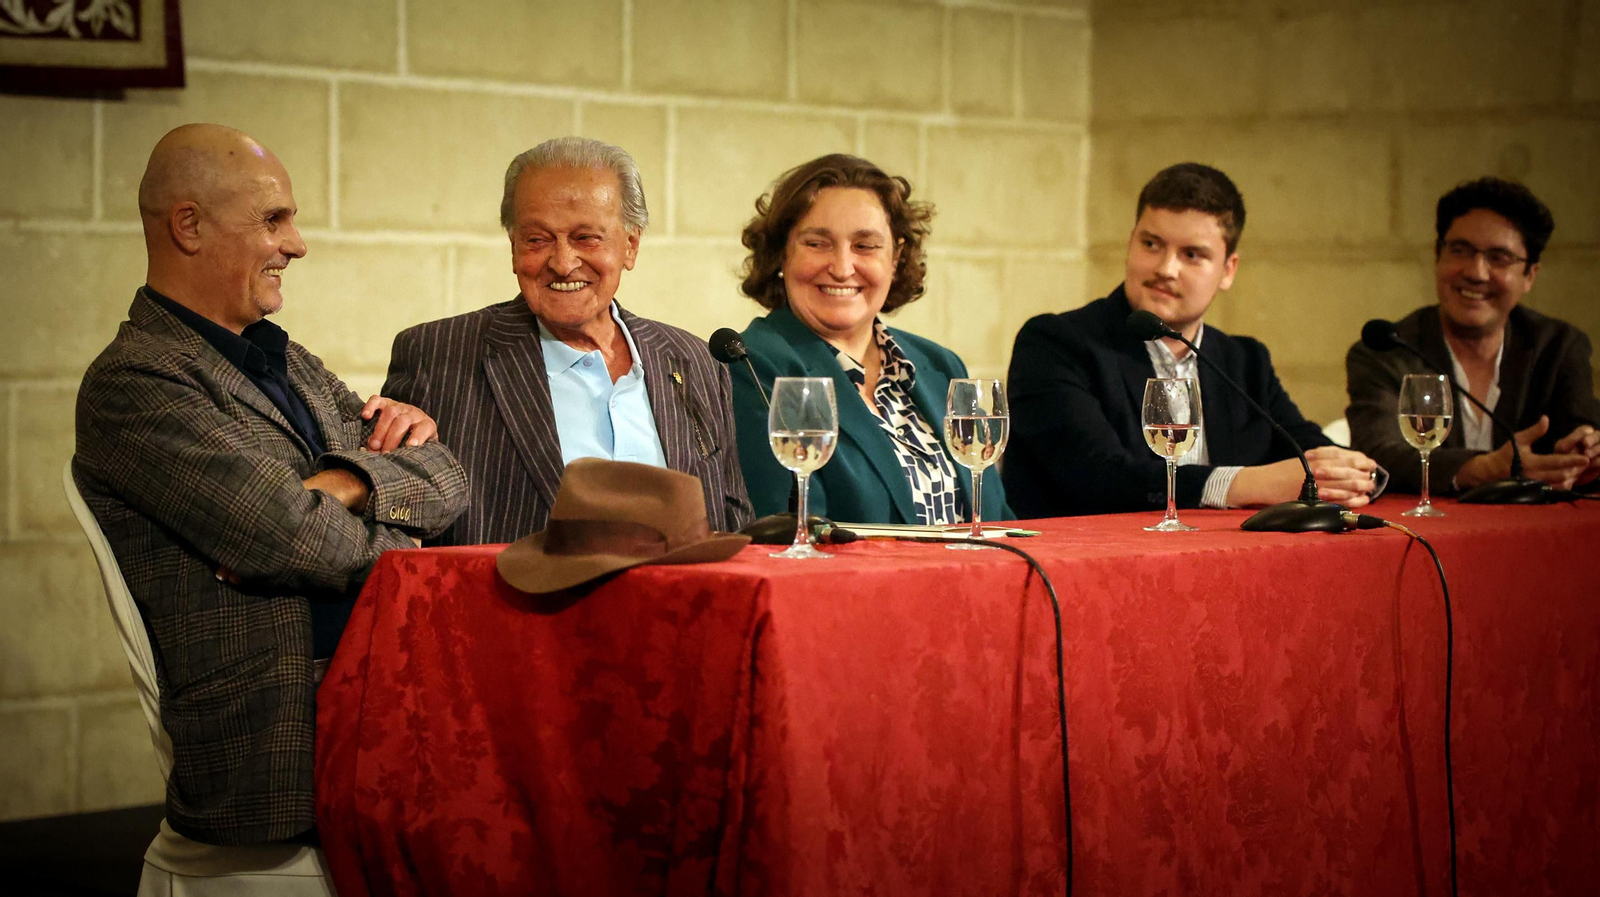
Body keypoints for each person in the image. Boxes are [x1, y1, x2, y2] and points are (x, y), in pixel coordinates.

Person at [73, 124, 468, 845]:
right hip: (282, 755)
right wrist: (402, 534)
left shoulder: (286, 361)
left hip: (390, 726)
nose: (297, 243)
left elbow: (447, 474)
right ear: (188, 225)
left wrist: (343, 480)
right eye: (273, 219)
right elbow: (289, 533)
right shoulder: (136, 382)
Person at [383, 137, 752, 544]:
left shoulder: (693, 359)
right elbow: (395, 512)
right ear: (513, 248)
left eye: (586, 238)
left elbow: (731, 518)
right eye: (537, 239)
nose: (562, 262)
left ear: (630, 245)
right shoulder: (439, 354)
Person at [1004, 162, 1378, 518]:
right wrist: (1246, 484)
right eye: (1151, 244)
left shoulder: (1243, 361)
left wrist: (1357, 475)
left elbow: (1308, 450)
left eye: (1192, 254)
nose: (1166, 269)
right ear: (1130, 242)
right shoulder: (1055, 344)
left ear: (1228, 270)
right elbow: (1098, 476)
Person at [730, 154, 1011, 525]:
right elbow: (788, 536)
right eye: (817, 243)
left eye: (865, 246)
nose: (842, 267)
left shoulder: (941, 365)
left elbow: (998, 520)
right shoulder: (753, 367)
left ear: (896, 257)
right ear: (781, 253)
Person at [1346, 177, 1600, 493]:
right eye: (1460, 250)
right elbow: (1379, 456)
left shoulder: (1559, 347)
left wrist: (1584, 453)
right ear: (1438, 256)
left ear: (1529, 275)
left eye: (1499, 257)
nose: (1476, 272)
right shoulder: (1388, 350)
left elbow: (1578, 434)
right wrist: (1483, 469)